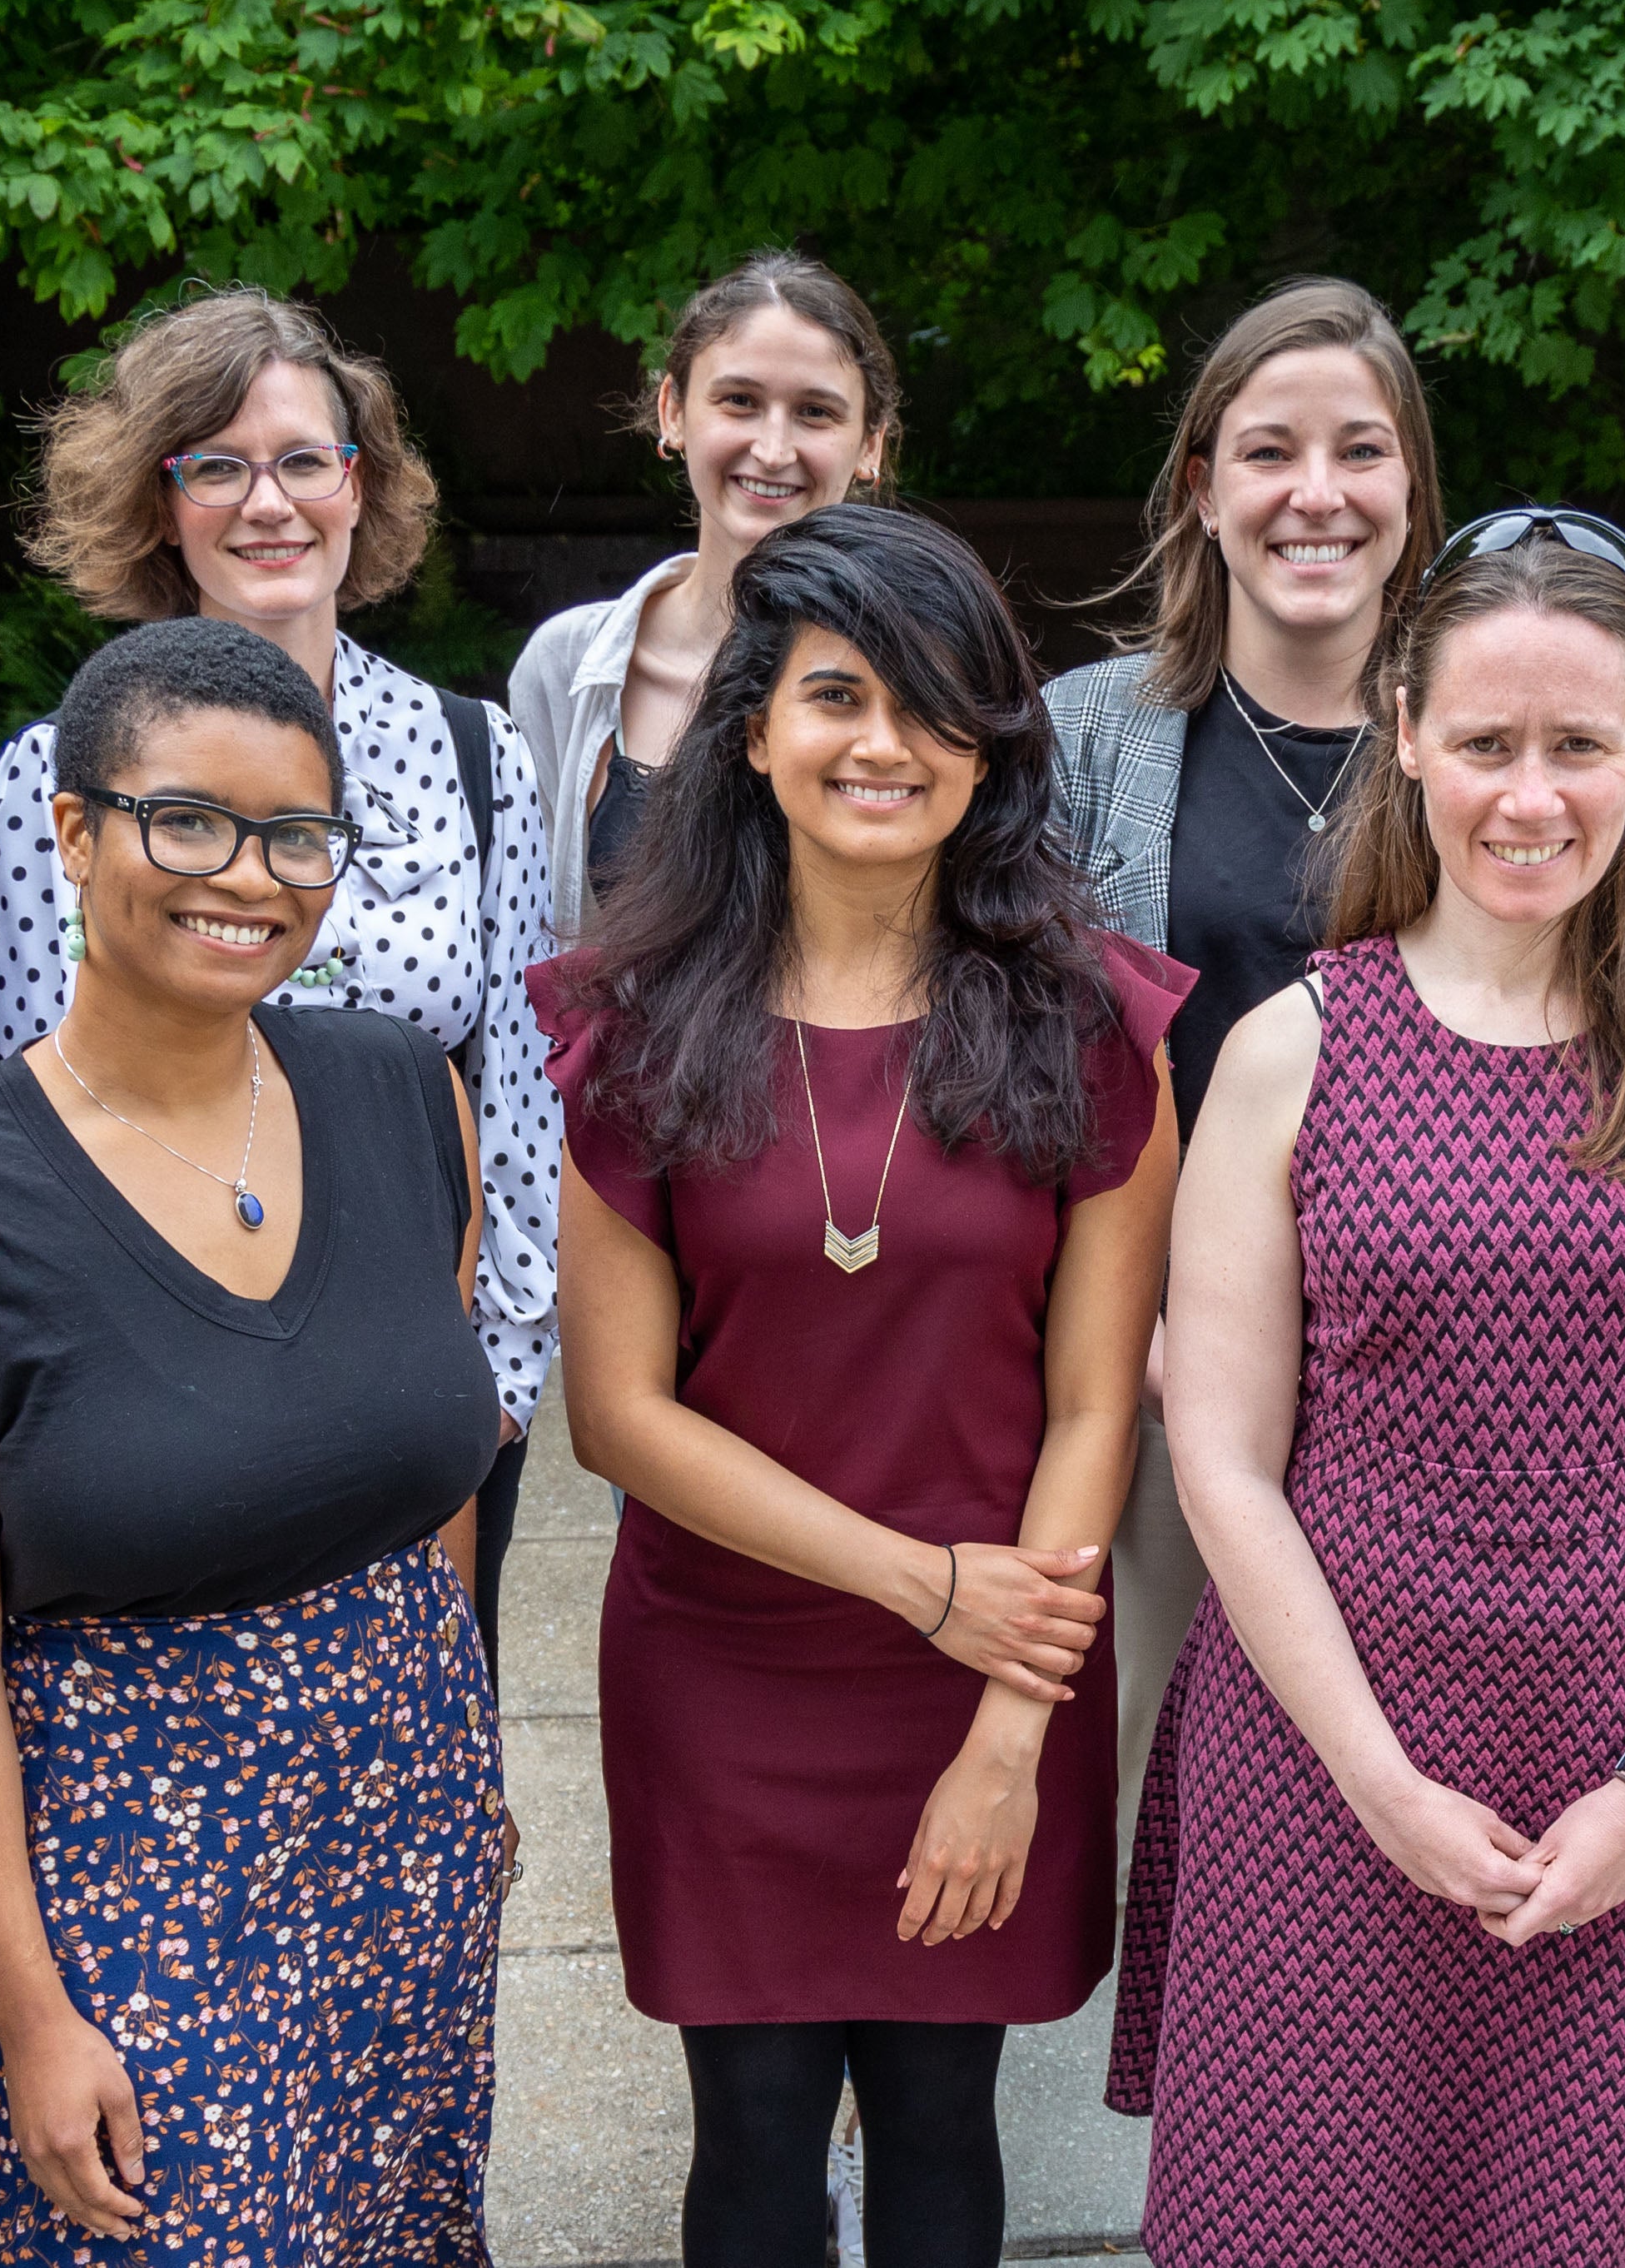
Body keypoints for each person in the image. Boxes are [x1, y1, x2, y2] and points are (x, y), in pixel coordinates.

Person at [1106, 515, 1625, 2268]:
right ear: (1405, 732)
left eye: (1576, 744)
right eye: (1483, 742)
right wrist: (1374, 1777)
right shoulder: (1290, 1045)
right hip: (1326, 1746)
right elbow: (1221, 1455)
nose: (1528, 795)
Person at [0, 617, 509, 2261]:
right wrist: (29, 2006)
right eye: (185, 819)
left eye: (295, 834)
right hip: (135, 1863)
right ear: (72, 830)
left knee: (393, 2224)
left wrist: (462, 1760)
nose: (246, 875)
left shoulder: (402, 1089)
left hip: (404, 1822)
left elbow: (431, 1461)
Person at [538, 503, 1182, 2268]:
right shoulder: (637, 1021)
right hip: (725, 1662)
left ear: (989, 747)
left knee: (936, 2106)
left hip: (991, 1671)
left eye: (932, 703)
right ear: (752, 728)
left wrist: (1003, 1728)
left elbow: (1088, 1407)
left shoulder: (1094, 1027)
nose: (882, 742)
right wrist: (925, 1582)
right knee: (745, 2125)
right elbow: (620, 1410)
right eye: (835, 694)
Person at [0, 287, 558, 1631]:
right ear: (158, 500)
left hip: (423, 1360)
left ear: (361, 488)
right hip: (160, 1375)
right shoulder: (51, 775)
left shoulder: (475, 756)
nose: (269, 501)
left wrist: (504, 1365)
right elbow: (31, 1087)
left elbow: (526, 1078)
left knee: (424, 1749)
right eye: (217, 465)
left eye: (305, 459)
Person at [1041, 276, 1445, 1821]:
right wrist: (1118, 1326)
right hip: (1150, 1360)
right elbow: (1037, 1060)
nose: (1317, 494)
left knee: (1384, 1790)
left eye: (1361, 450)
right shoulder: (1088, 737)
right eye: (1270, 451)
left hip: (1423, 1363)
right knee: (1143, 1782)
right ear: (1203, 491)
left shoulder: (1481, 741)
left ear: (1411, 487)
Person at [510, 250, 902, 930]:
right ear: (674, 411)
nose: (774, 449)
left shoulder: (931, 669)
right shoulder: (566, 668)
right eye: (740, 401)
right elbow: (528, 949)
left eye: (814, 412)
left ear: (871, 444)